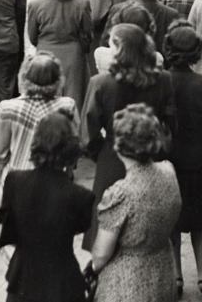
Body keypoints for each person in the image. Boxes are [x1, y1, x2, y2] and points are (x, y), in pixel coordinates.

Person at [83, 22, 176, 246]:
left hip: (112, 158)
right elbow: (171, 123)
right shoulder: (163, 80)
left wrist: (101, 151)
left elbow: (87, 130)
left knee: (107, 224)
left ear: (120, 49)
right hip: (150, 157)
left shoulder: (101, 83)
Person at [88, 104, 183, 302]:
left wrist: (92, 269)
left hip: (125, 283)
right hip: (163, 272)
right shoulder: (168, 171)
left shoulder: (119, 194)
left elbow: (101, 255)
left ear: (119, 145)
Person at [0, 112, 95, 302]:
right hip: (62, 281)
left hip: (23, 278)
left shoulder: (15, 181)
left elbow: (8, 225)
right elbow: (79, 226)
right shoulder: (81, 196)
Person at [0, 53, 78, 252]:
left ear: (24, 78)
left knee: (14, 247)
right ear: (57, 79)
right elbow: (74, 145)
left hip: (17, 181)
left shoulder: (8, 108)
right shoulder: (67, 106)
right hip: (56, 182)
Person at [162, 26, 202, 300]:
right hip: (199, 158)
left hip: (169, 160)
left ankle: (176, 275)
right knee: (201, 222)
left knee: (173, 223)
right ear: (196, 53)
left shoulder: (160, 82)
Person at [26, 0, 93, 105]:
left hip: (45, 54)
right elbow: (87, 34)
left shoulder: (36, 5)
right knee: (74, 100)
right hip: (74, 56)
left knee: (45, 99)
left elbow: (32, 37)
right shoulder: (83, 2)